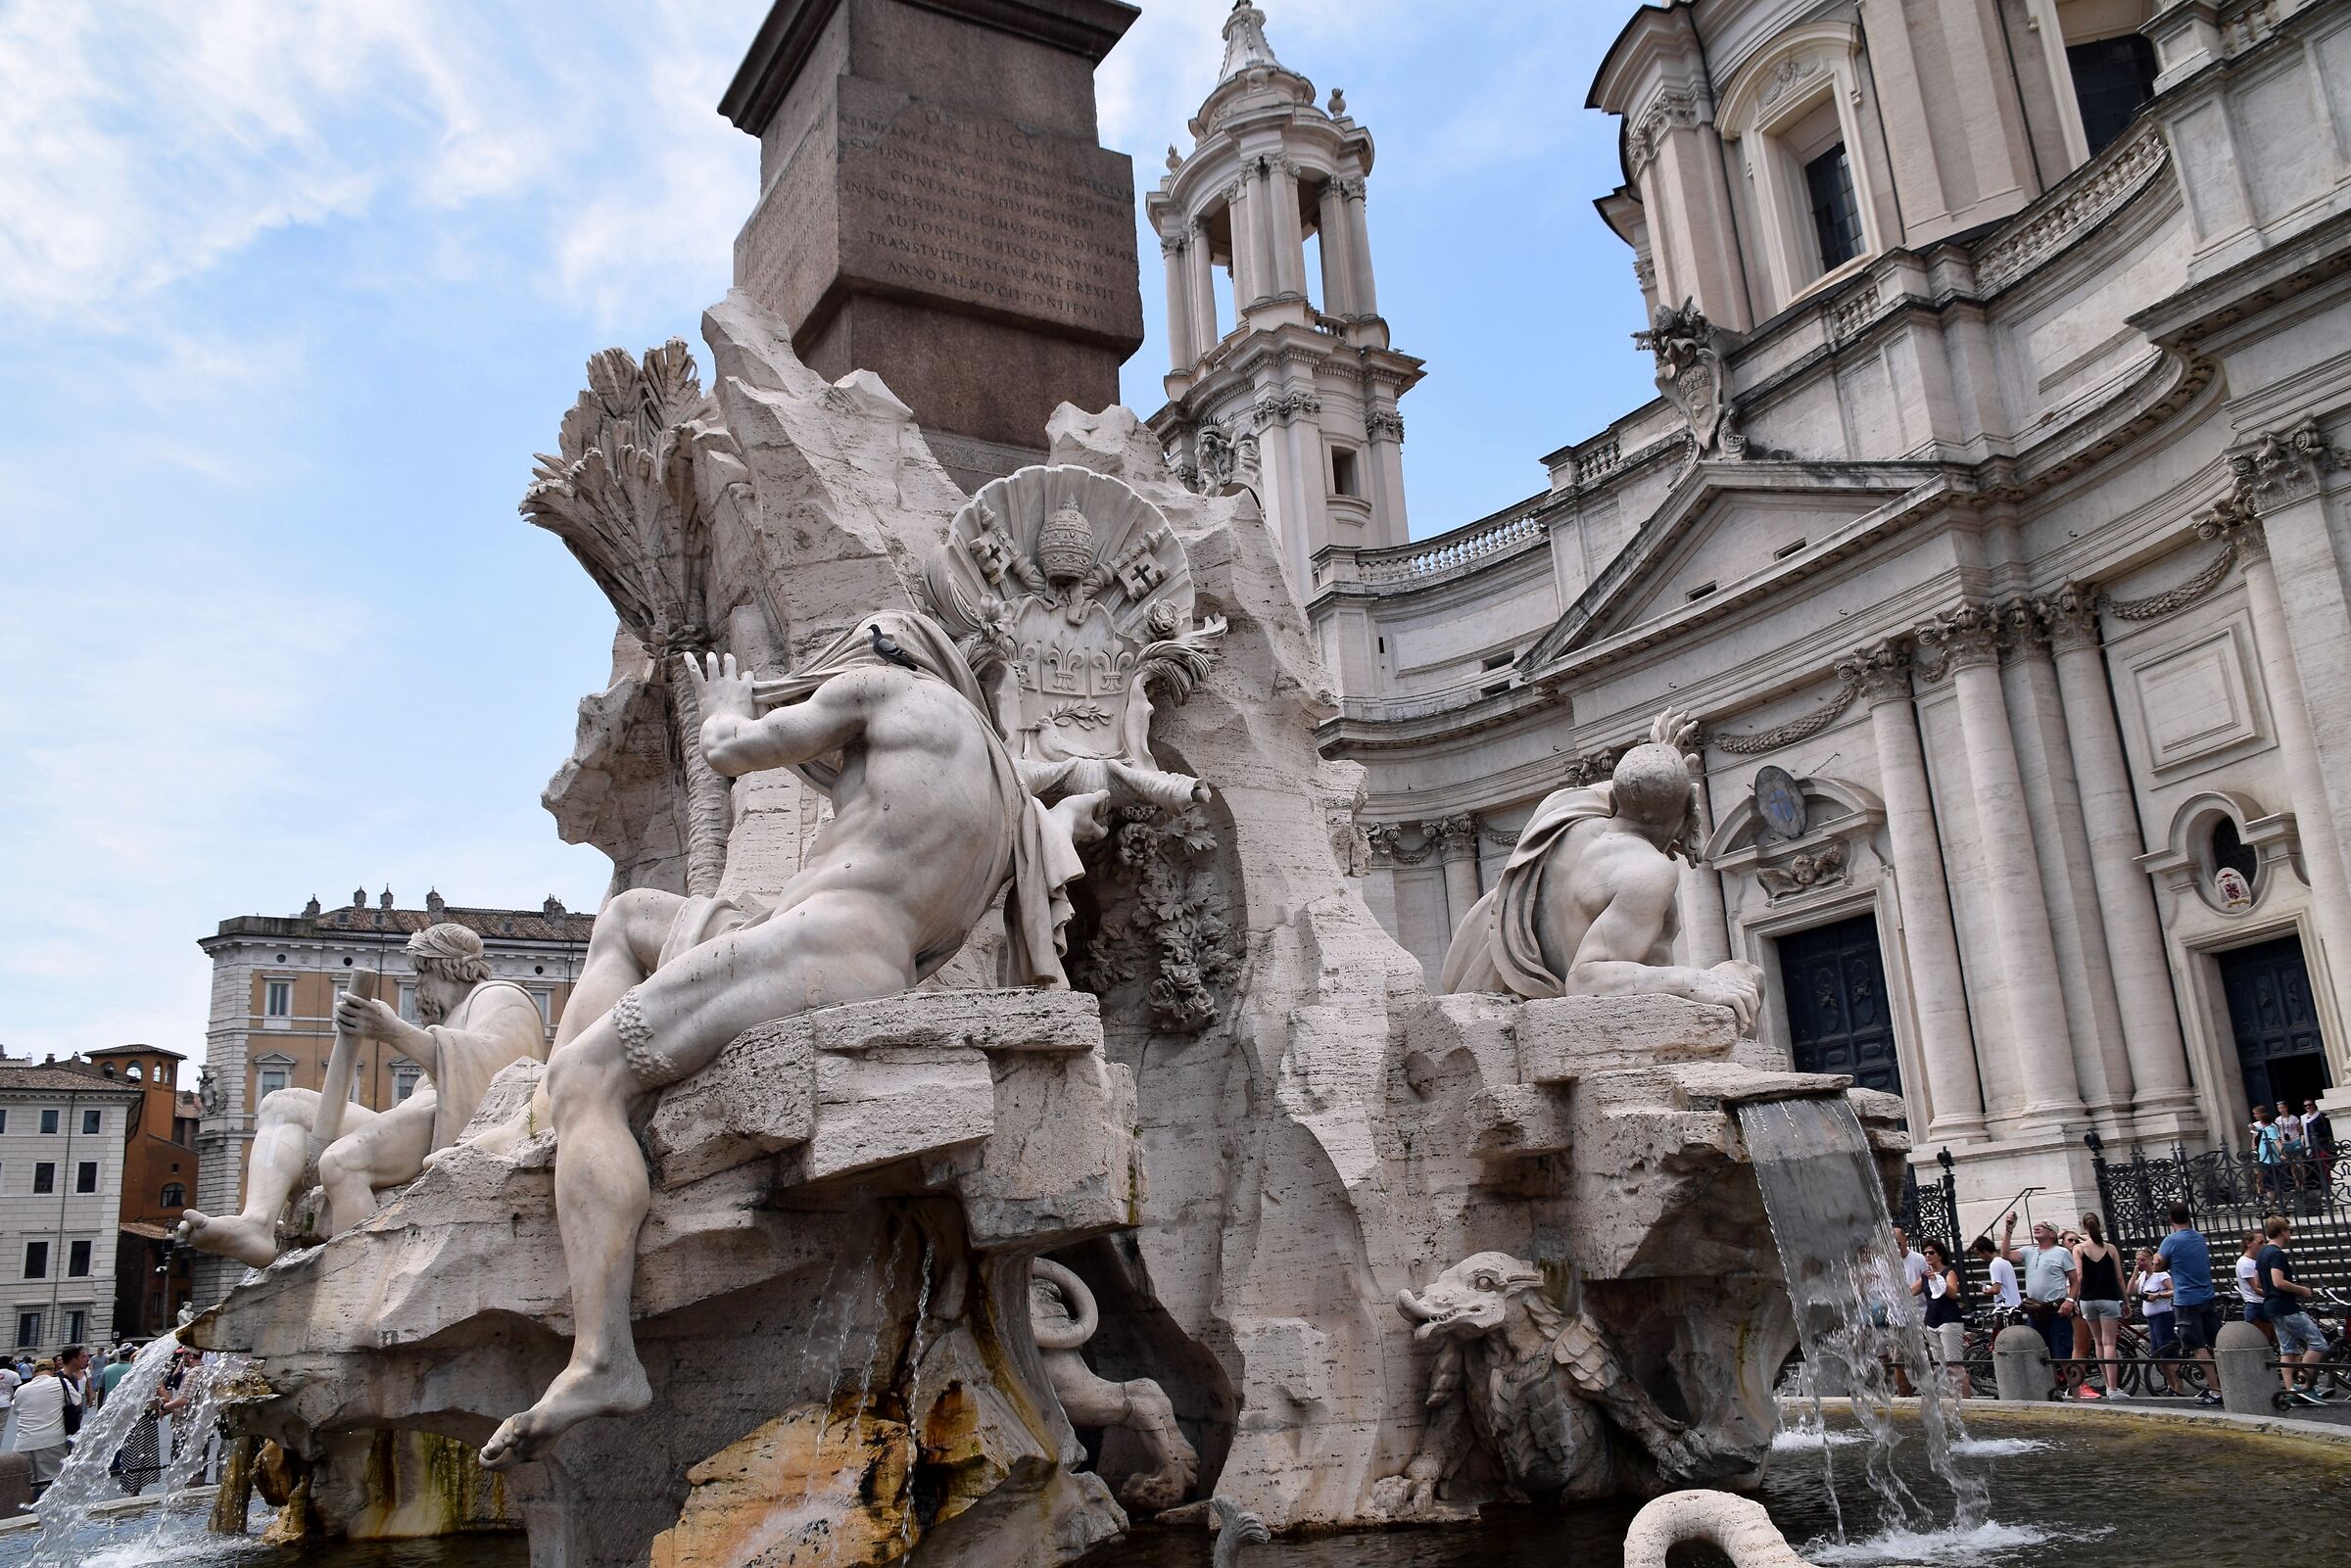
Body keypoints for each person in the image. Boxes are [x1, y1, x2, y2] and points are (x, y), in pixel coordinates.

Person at [470, 629, 1131, 1470]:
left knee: (589, 1077)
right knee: (631, 914)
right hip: (861, 958)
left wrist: (724, 706)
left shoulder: (884, 691)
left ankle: (605, 1356)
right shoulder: (1001, 788)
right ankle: (547, 1123)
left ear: (884, 654)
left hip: (813, 946)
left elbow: (733, 752)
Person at [178, 924, 549, 1268]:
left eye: (421, 973)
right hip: (418, 1118)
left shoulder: (500, 995)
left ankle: (360, 1278)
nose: (417, 986)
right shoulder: (452, 1016)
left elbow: (502, 1070)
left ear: (443, 967)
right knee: (282, 1102)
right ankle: (256, 1223)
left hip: (453, 1123)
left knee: (342, 1161)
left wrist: (393, 1031)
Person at [1439, 709, 1764, 1027]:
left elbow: (1632, 788)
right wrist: (1697, 981)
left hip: (1529, 994)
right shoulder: (1648, 871)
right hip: (1599, 1022)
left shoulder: (1562, 810)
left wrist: (1661, 758)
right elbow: (1586, 980)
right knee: (1748, 977)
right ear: (1681, 810)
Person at [2254, 1214, 2328, 1405]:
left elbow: (2258, 1282)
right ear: (2283, 1232)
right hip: (2286, 1307)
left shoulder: (2262, 1253)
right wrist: (2302, 1290)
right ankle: (2302, 1386)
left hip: (2272, 1307)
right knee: (2319, 1344)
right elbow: (2278, 1281)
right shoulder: (2276, 1254)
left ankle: (2291, 1392)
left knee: (2288, 1350)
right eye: (2290, 1231)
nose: (2290, 1235)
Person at [2157, 1204, 2225, 1405]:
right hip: (2206, 1295)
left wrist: (2160, 1261)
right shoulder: (2198, 1237)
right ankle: (2226, 1382)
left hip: (2186, 1299)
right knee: (2215, 1342)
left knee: (2196, 1345)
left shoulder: (2171, 1240)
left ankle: (2215, 1389)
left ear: (2170, 1219)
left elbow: (2158, 1265)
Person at [2001, 1213, 2077, 1375]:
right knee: (2038, 1354)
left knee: (2063, 1354)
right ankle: (2050, 1393)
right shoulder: (2030, 1251)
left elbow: (2075, 1280)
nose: (2037, 1227)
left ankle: (2076, 1393)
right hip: (2035, 1309)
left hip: (2055, 1309)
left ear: (2052, 1234)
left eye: (2042, 1226)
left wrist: (2070, 1300)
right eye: (2036, 1226)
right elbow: (2005, 1254)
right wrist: (2009, 1230)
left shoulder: (2062, 1253)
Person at [2069, 1213, 2125, 1400]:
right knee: (2109, 1342)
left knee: (2098, 1341)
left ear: (2083, 1227)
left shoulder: (2078, 1249)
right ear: (2099, 1225)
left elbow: (2079, 1275)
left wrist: (2074, 1298)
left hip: (2087, 1299)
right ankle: (2113, 1388)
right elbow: (2118, 1277)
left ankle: (2108, 1383)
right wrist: (2125, 1300)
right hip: (2108, 1298)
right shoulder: (2110, 1248)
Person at [1914, 1239, 1973, 1398]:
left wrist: (1938, 1280)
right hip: (1932, 1322)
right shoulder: (1925, 1275)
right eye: (1925, 1252)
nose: (1927, 1255)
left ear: (1940, 1255)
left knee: (1954, 1364)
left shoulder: (1948, 1272)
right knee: (1941, 1364)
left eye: (1931, 1252)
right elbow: (1912, 1290)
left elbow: (1953, 1293)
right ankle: (1950, 1398)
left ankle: (1965, 1400)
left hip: (1949, 1321)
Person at [2131, 1247, 2181, 1396]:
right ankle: (2171, 1386)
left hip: (2163, 1316)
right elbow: (2130, 1291)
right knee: (2158, 1355)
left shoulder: (2161, 1275)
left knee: (2168, 1354)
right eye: (2138, 1260)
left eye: (2143, 1260)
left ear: (2151, 1259)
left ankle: (2178, 1386)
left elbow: (2174, 1290)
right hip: (2151, 1319)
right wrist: (2135, 1273)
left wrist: (2158, 1295)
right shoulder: (2143, 1276)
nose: (2140, 1263)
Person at [1972, 1235, 2022, 1313]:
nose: (1979, 1257)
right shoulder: (2005, 1262)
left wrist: (1986, 1290)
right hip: (2015, 1304)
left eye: (1979, 1254)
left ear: (1985, 1251)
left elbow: (1996, 1289)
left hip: (2006, 1306)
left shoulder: (1994, 1264)